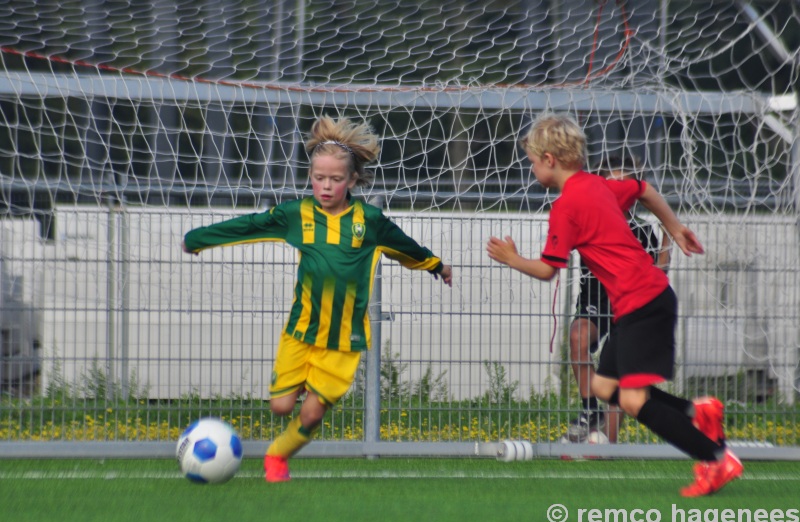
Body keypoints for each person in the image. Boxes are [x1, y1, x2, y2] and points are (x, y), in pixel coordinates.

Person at [183, 115, 453, 483]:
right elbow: (249, 225)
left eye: (336, 179)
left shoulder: (369, 221)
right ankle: (302, 385)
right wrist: (198, 239)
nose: (326, 186)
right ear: (310, 176)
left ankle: (277, 457)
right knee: (280, 407)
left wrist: (436, 265)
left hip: (343, 342)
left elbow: (404, 247)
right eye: (319, 178)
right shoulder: (297, 214)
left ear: (353, 180)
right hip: (301, 333)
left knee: (309, 416)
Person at [486, 113, 742, 497]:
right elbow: (643, 188)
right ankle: (698, 412)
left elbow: (547, 271)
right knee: (605, 386)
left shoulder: (566, 206)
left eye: (533, 161)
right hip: (641, 301)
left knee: (635, 400)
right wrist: (674, 227)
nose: (532, 167)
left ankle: (718, 459)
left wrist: (511, 258)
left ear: (550, 160)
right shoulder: (600, 185)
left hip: (643, 301)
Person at [566, 156, 671, 444]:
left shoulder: (641, 230)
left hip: (628, 305)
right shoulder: (586, 217)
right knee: (578, 337)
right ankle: (590, 410)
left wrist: (666, 246)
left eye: (624, 184)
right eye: (611, 183)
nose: (617, 189)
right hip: (595, 301)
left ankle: (607, 444)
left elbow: (658, 276)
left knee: (617, 374)